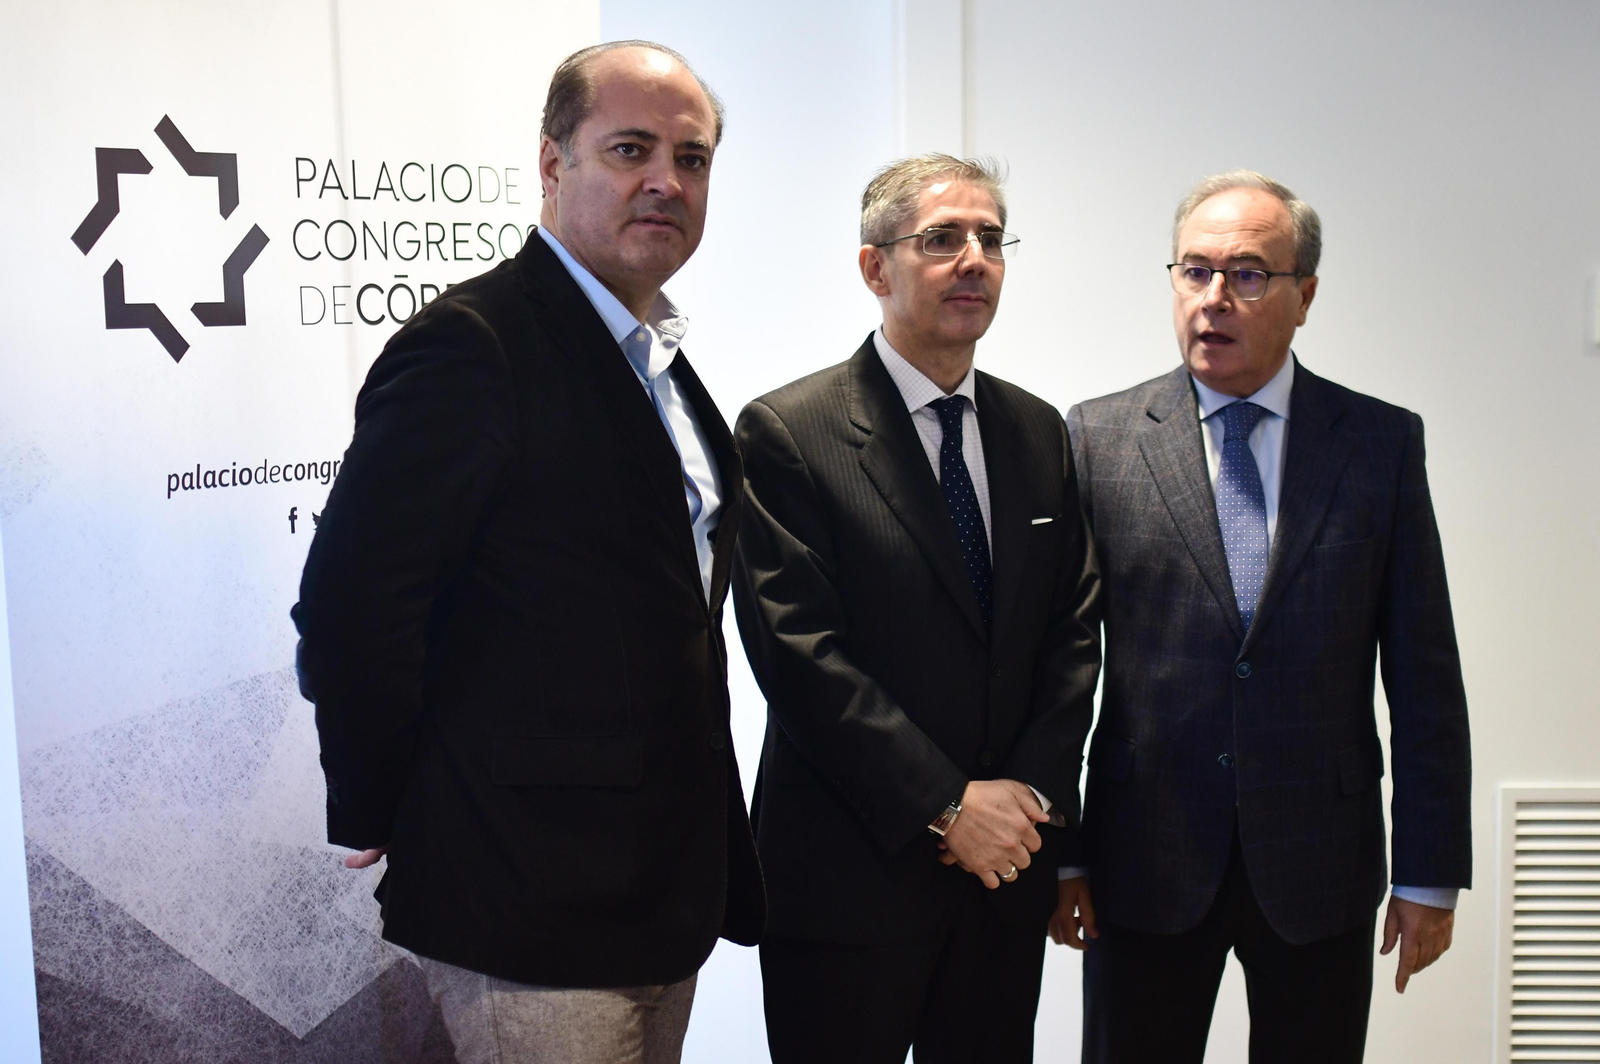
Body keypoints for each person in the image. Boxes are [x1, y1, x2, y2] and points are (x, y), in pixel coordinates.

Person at [291, 41, 762, 1064]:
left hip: (658, 886)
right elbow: (352, 605)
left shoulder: (659, 364)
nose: (665, 181)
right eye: (630, 149)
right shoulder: (475, 345)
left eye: (692, 159)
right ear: (552, 166)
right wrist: (372, 795)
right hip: (527, 897)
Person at [1062, 169, 1471, 1063]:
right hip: (1145, 857)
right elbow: (1062, 665)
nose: (1215, 299)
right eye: (1194, 271)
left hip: (1320, 856)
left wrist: (1431, 872)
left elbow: (1425, 674)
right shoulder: (1096, 437)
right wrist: (1065, 852)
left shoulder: (1378, 443)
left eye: (1248, 274)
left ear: (1305, 295)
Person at [731, 154, 1101, 1064]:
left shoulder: (1036, 430)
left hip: (1002, 877)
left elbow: (1072, 630)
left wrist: (1027, 804)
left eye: (989, 238)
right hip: (849, 880)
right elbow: (799, 655)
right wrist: (947, 807)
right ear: (875, 268)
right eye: (941, 239)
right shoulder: (790, 431)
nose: (972, 259)